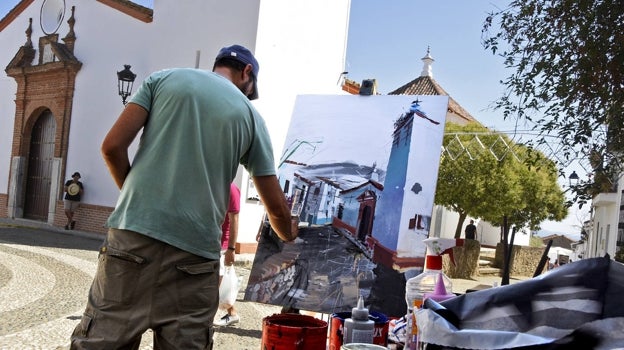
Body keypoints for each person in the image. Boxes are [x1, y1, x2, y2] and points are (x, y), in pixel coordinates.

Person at [70, 44, 298, 349]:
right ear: (247, 73)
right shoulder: (251, 117)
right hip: (195, 256)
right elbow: (277, 210)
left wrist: (136, 198)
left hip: (132, 240)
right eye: (251, 88)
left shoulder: (162, 80)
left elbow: (112, 147)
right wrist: (289, 232)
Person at [214, 182, 241, 327]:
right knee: (223, 285)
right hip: (210, 242)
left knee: (214, 286)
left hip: (221, 246)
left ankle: (206, 322)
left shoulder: (230, 188)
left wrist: (231, 249)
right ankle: (233, 313)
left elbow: (234, 220)